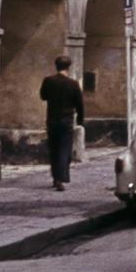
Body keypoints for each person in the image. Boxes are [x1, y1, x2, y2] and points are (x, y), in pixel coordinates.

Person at [38, 56, 83, 192]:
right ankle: (60, 178)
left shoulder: (49, 81)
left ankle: (55, 177)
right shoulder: (73, 83)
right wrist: (80, 119)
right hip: (66, 119)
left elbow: (43, 96)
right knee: (64, 149)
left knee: (53, 148)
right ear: (68, 67)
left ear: (56, 66)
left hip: (52, 119)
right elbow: (79, 103)